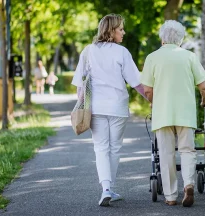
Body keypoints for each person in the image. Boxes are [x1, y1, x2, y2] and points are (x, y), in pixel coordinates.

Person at [71, 14, 146, 207]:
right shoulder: (122, 52)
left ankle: (106, 189)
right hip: (117, 107)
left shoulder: (88, 51)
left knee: (101, 148)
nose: (123, 32)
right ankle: (109, 189)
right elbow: (137, 83)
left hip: (95, 107)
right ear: (111, 31)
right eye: (120, 29)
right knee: (115, 149)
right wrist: (152, 99)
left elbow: (80, 87)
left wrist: (80, 105)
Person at [140, 20, 205, 207]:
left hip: (162, 113)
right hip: (185, 113)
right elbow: (204, 86)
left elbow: (147, 90)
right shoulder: (189, 57)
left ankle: (171, 196)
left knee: (166, 153)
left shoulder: (152, 57)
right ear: (181, 39)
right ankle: (188, 184)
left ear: (162, 37)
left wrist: (154, 102)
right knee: (188, 150)